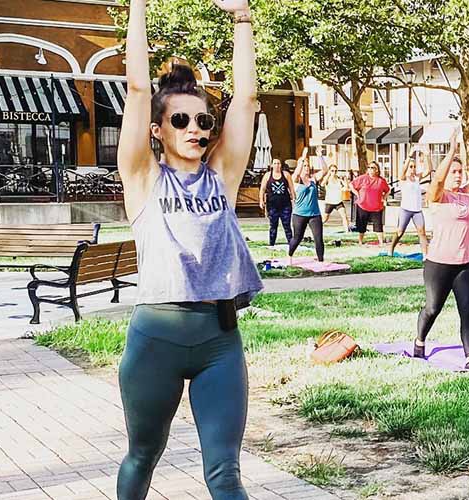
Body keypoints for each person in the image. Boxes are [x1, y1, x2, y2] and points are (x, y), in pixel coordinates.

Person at [114, 0, 261, 498]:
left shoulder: (222, 176)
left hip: (220, 340)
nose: (194, 128)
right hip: (156, 338)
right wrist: (138, 5)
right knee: (143, 454)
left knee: (225, 472)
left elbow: (245, 99)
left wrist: (242, 16)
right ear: (157, 130)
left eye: (202, 120)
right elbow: (138, 88)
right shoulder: (143, 178)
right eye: (180, 120)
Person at [414, 126, 469, 370]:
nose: (459, 176)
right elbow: (438, 180)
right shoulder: (437, 195)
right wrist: (451, 151)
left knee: (467, 311)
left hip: (466, 265)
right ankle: (419, 342)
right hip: (438, 264)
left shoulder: (467, 194)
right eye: (455, 172)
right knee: (432, 308)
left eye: (461, 172)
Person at [389, 148, 432, 257]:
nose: (413, 169)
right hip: (405, 210)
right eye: (411, 167)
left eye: (414, 167)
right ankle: (391, 249)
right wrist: (409, 156)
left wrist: (427, 156)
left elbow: (429, 170)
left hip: (417, 211)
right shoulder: (403, 178)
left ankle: (425, 255)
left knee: (422, 232)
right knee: (400, 232)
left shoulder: (417, 178)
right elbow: (403, 171)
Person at [288, 147, 326, 263]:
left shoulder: (313, 179)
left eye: (308, 166)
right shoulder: (295, 180)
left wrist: (320, 156)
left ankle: (321, 261)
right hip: (299, 214)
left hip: (314, 214)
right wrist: (303, 158)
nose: (307, 168)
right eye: (304, 166)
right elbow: (296, 172)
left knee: (318, 239)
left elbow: (325, 170)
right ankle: (290, 256)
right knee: (297, 238)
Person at [350, 161, 391, 247]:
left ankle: (381, 242)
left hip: (376, 207)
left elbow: (388, 190)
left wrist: (384, 198)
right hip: (363, 205)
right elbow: (351, 185)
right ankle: (360, 242)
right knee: (362, 226)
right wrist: (357, 194)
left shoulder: (381, 181)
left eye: (372, 168)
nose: (370, 169)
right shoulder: (363, 178)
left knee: (378, 226)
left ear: (377, 170)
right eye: (369, 167)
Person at [258, 157, 293, 246]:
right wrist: (261, 200)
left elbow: (291, 188)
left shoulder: (286, 175)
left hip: (285, 205)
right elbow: (262, 189)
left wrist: (294, 198)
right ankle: (272, 244)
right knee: (273, 225)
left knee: (287, 225)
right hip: (272, 205)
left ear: (281, 165)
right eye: (275, 163)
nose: (277, 165)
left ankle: (291, 243)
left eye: (278, 163)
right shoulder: (267, 175)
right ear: (271, 165)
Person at [320, 163, 351, 233]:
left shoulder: (339, 179)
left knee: (344, 216)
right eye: (332, 170)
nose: (334, 172)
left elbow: (346, 187)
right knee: (325, 219)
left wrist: (345, 180)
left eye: (335, 171)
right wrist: (328, 174)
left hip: (338, 202)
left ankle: (347, 231)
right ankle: (317, 228)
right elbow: (322, 184)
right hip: (329, 202)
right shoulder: (327, 179)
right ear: (329, 171)